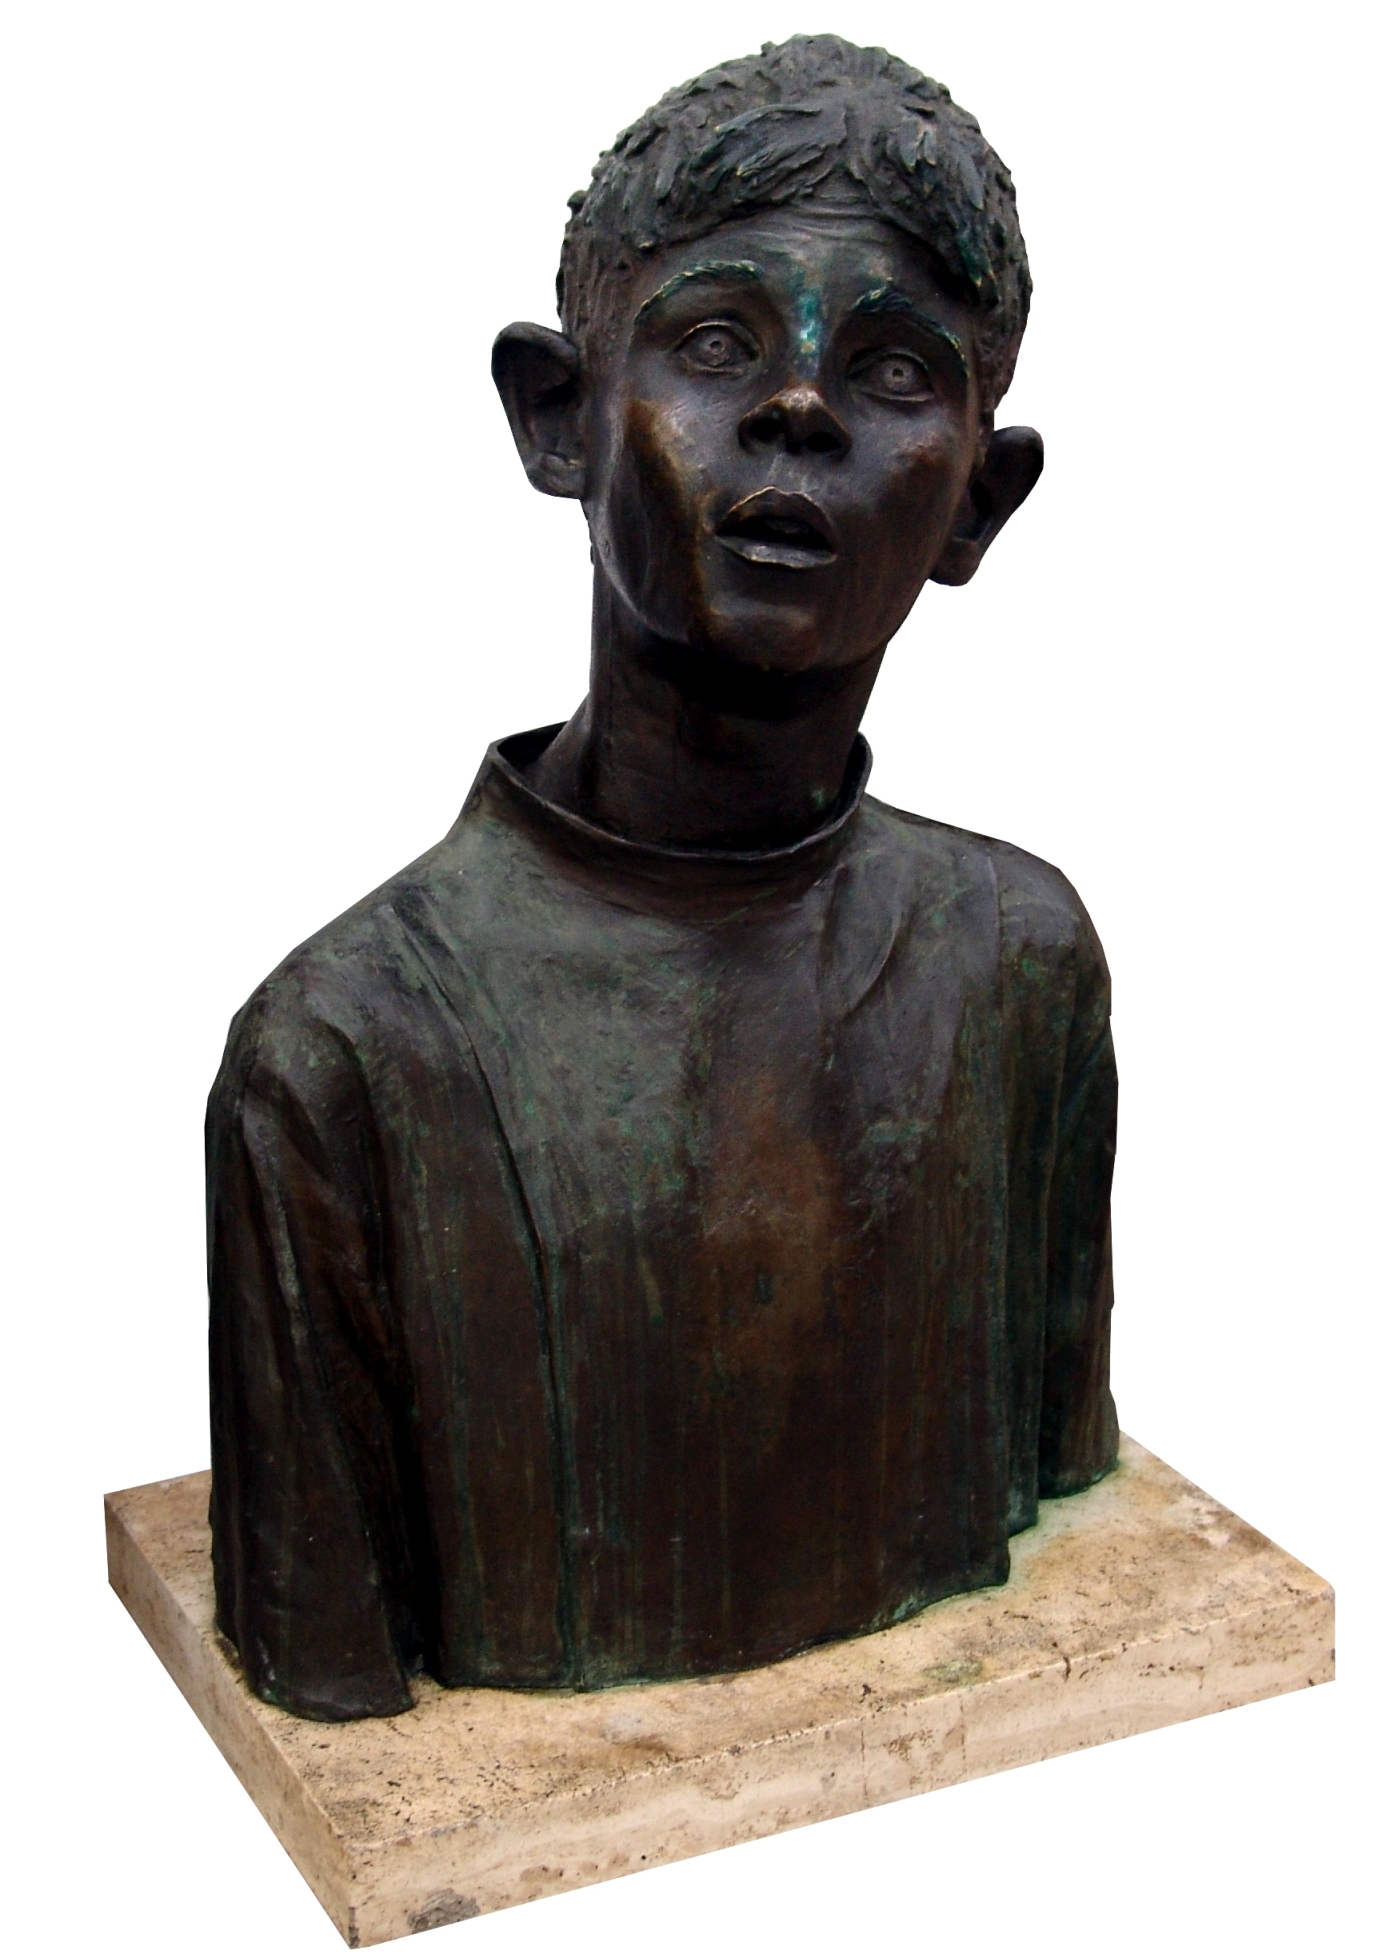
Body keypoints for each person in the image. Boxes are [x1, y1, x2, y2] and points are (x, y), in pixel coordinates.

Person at [207, 34, 1118, 1721]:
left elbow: (1074, 1495)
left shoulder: (1017, 961)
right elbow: (322, 1654)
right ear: (560, 416)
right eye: (714, 344)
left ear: (974, 504)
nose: (797, 410)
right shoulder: (345, 1059)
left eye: (892, 371)